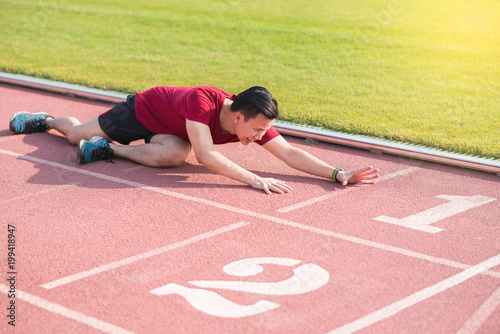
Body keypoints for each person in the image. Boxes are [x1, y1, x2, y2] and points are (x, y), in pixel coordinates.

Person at [9, 85, 378, 194]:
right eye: (257, 130)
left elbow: (290, 153)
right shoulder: (203, 102)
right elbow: (205, 155)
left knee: (172, 155)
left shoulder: (250, 121)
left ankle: (110, 150)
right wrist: (254, 178)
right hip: (143, 111)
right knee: (74, 135)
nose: (262, 137)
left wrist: (337, 173)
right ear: (237, 117)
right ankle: (44, 120)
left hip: (170, 130)